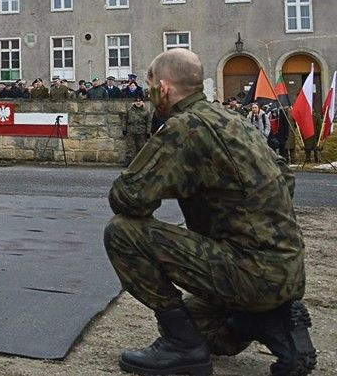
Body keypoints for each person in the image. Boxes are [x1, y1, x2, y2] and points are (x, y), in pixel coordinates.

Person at [103, 48, 315, 376]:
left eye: (150, 86)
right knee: (208, 333)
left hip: (248, 272)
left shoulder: (184, 126)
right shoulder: (234, 120)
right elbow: (285, 178)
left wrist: (174, 184)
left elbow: (128, 198)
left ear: (164, 87)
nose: (149, 94)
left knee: (122, 232)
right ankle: (272, 323)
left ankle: (181, 346)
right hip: (286, 271)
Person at [122, 97, 152, 166]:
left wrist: (148, 132)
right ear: (134, 102)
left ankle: (141, 163)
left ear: (142, 102)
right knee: (130, 147)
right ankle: (128, 161)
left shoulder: (146, 111)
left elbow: (149, 122)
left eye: (140, 101)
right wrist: (124, 129)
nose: (138, 103)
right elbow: (124, 120)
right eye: (136, 101)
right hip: (131, 130)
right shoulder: (129, 110)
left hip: (141, 131)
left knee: (141, 147)